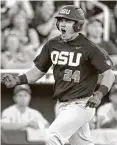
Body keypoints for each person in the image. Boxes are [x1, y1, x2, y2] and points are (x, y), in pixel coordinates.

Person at [3, 5, 115, 145]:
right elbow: (38, 71)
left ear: (78, 25)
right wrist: (18, 80)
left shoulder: (90, 48)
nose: (62, 23)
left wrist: (99, 94)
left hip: (81, 104)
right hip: (62, 104)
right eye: (61, 20)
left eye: (68, 20)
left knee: (52, 136)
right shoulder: (53, 44)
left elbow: (109, 74)